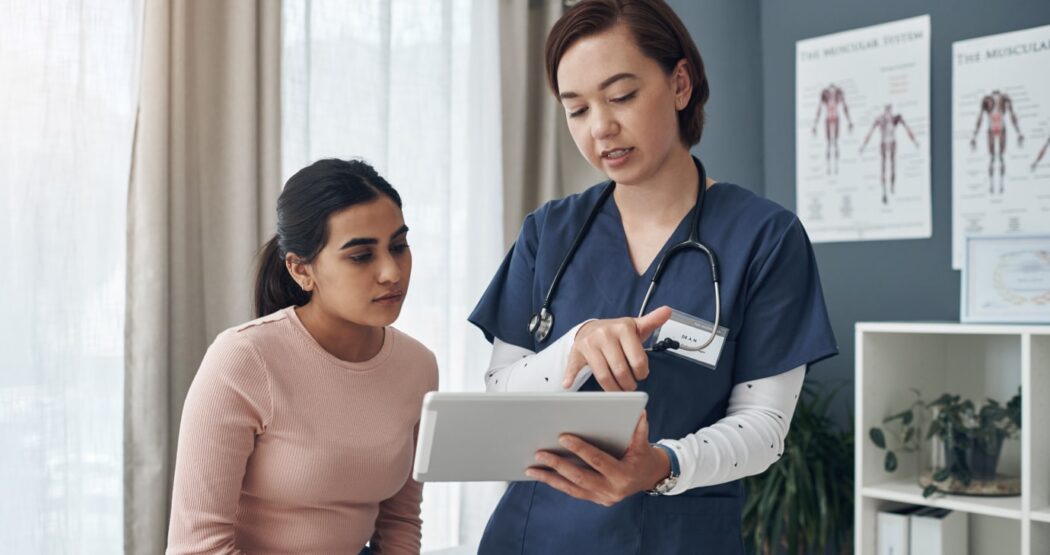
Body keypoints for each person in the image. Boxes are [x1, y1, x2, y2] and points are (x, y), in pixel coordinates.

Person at [468, 1, 837, 553]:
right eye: (577, 109)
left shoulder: (766, 237)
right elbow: (499, 395)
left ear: (680, 83)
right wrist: (576, 346)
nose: (601, 128)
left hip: (680, 535)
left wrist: (663, 466)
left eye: (621, 96)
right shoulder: (549, 232)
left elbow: (763, 427)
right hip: (534, 533)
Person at [167, 159, 438, 555]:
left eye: (398, 246)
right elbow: (197, 547)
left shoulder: (418, 366)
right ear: (300, 269)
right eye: (361, 255)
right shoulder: (243, 360)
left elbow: (399, 523)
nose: (391, 272)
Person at [859, 103, 919, 204]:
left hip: (892, 143)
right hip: (884, 143)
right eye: (887, 110)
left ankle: (892, 187)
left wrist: (914, 141)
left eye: (890, 110)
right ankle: (884, 192)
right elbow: (870, 132)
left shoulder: (896, 118)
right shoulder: (880, 119)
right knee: (883, 167)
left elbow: (907, 128)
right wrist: (863, 146)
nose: (888, 112)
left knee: (892, 165)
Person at [970, 89, 1024, 193]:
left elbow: (1013, 116)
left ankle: (1001, 186)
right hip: (992, 129)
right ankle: (992, 186)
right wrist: (974, 136)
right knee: (992, 158)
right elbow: (980, 118)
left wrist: (1018, 132)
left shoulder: (1005, 99)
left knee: (1000, 158)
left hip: (1001, 129)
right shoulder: (987, 100)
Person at [812, 83, 853, 175]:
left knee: (835, 143)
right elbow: (819, 108)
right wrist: (815, 124)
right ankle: (828, 168)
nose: (831, 92)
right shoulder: (825, 94)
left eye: (833, 90)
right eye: (830, 91)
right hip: (828, 118)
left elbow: (845, 107)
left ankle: (836, 167)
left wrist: (849, 121)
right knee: (829, 143)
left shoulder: (839, 93)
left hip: (835, 117)